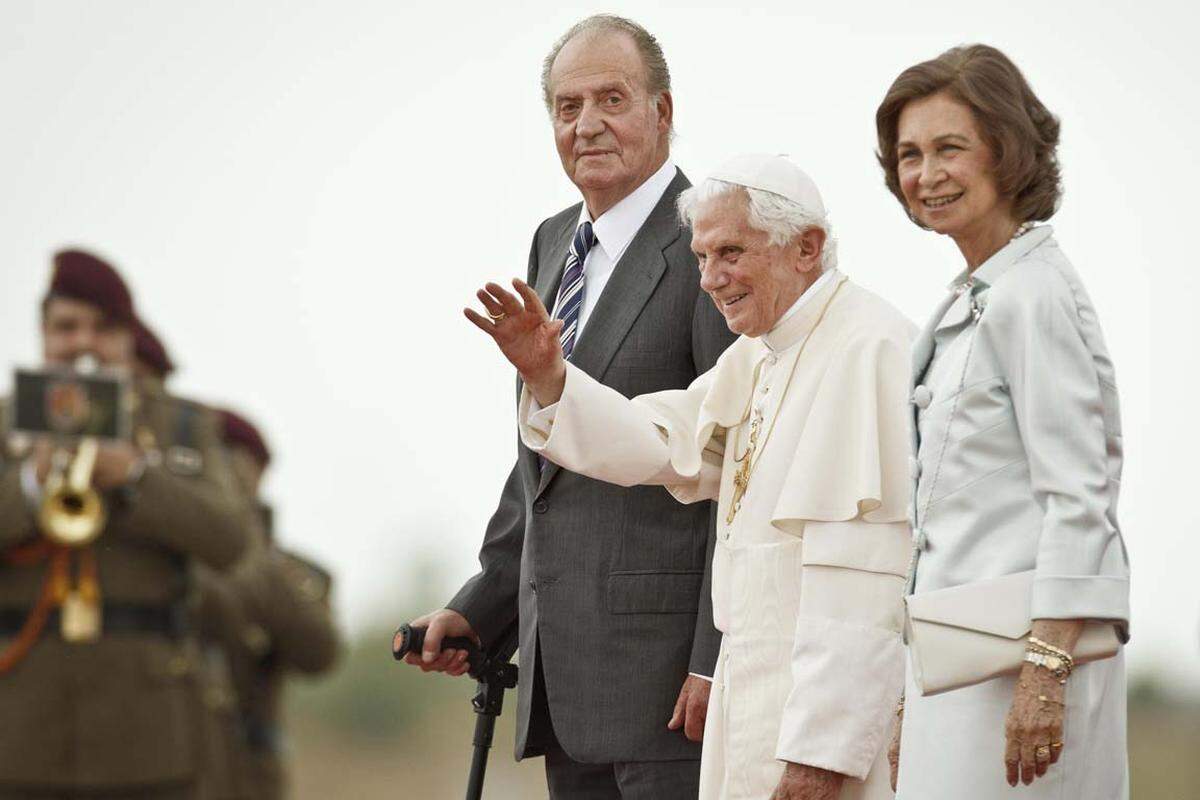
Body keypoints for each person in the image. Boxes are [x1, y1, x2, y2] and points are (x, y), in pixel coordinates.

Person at [467, 153, 914, 800]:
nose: (709, 279)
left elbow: (864, 582)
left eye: (729, 253)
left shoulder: (869, 348)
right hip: (761, 707)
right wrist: (550, 378)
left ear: (807, 248)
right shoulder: (764, 354)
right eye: (701, 258)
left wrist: (823, 753)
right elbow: (663, 441)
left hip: (825, 732)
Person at [400, 14, 736, 798]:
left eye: (611, 99)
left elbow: (737, 465)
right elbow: (543, 456)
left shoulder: (711, 241)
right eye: (565, 106)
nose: (586, 125)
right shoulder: (554, 243)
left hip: (671, 689)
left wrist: (717, 656)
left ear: (663, 111)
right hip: (565, 675)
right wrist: (482, 606)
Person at [874, 44, 1130, 798]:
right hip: (961, 667)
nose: (926, 174)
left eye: (949, 147)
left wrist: (1045, 673)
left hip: (1023, 669)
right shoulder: (975, 296)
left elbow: (1080, 498)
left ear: (1007, 150)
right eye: (909, 155)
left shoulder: (1034, 294)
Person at [0, 249, 249, 799]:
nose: (83, 344)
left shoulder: (182, 424)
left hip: (146, 736)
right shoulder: (4, 422)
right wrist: (29, 482)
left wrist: (137, 475)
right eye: (67, 328)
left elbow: (233, 543)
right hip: (20, 731)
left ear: (127, 338)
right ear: (43, 335)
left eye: (103, 329)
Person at [201, 408, 339, 800]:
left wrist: (246, 543)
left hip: (243, 774)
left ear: (257, 474)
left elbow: (319, 654)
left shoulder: (293, 572)